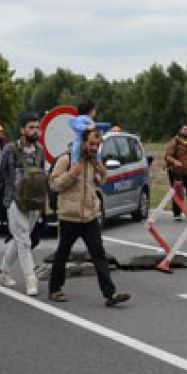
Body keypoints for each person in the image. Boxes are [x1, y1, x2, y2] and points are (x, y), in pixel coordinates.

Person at [48, 129, 131, 307]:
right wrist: (72, 173)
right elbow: (54, 184)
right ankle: (55, 289)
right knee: (62, 253)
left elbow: (99, 183)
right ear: (83, 142)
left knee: (99, 254)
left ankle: (110, 293)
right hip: (70, 216)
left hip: (90, 216)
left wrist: (103, 173)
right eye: (91, 144)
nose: (95, 148)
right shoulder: (66, 159)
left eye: (98, 144)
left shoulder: (94, 161)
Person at [0, 113, 45, 297]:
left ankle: (3, 271)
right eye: (31, 127)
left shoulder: (39, 151)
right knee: (24, 241)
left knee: (20, 238)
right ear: (22, 130)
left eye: (37, 127)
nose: (35, 131)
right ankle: (30, 279)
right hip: (14, 201)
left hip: (34, 203)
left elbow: (42, 178)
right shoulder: (10, 150)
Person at [164, 123, 187, 219]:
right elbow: (168, 156)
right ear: (181, 130)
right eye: (185, 129)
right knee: (178, 192)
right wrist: (175, 162)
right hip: (178, 172)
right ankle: (177, 213)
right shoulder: (175, 141)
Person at [69, 98, 101, 164]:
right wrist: (86, 127)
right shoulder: (82, 118)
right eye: (94, 110)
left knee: (97, 152)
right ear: (91, 110)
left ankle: (97, 163)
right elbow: (75, 125)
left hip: (86, 143)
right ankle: (75, 164)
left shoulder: (89, 120)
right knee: (76, 154)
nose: (95, 112)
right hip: (80, 141)